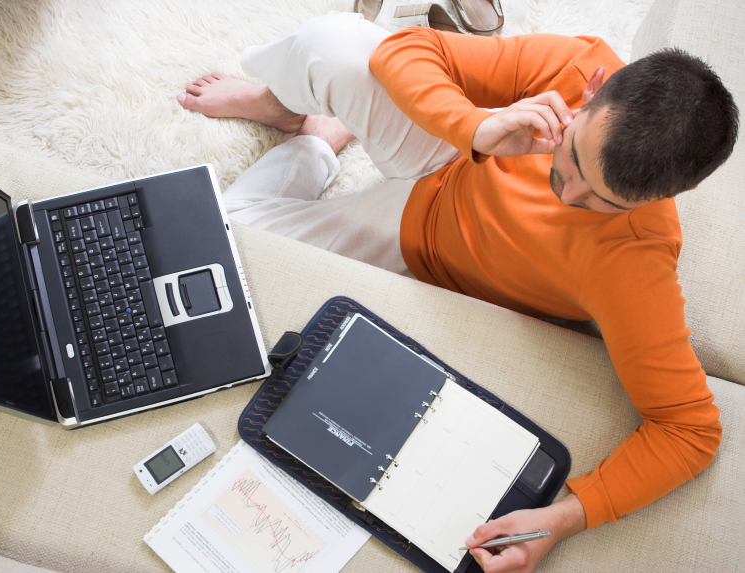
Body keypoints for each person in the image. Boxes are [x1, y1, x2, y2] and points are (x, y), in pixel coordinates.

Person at [176, 12, 738, 573]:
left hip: (415, 236)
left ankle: (317, 145)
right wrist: (475, 128)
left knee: (225, 233)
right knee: (334, 41)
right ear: (591, 90)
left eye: (601, 201)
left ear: (675, 193)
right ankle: (280, 107)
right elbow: (408, 50)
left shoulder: (636, 266)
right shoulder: (577, 62)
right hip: (452, 148)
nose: (568, 193)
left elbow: (690, 431)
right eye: (570, 155)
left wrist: (562, 519)